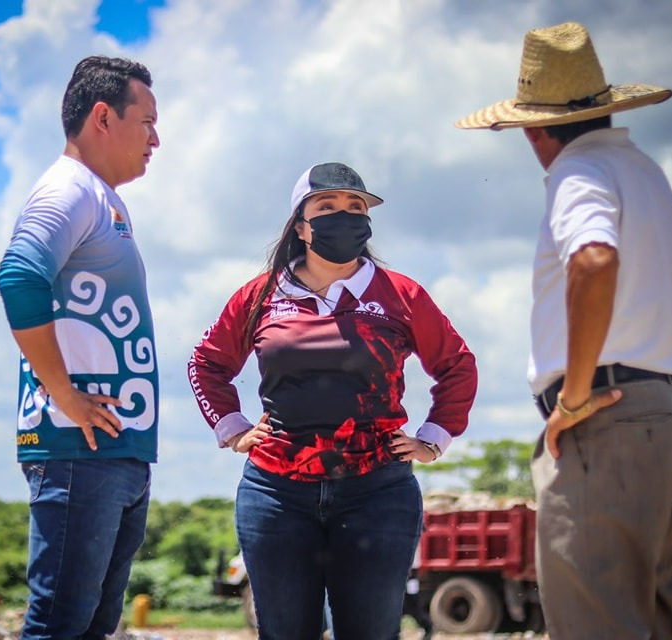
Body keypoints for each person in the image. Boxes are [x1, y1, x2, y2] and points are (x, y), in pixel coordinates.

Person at [456, 22, 672, 640]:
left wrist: (572, 398)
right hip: (665, 409)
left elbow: (594, 259)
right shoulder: (642, 170)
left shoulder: (579, 172)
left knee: (595, 623)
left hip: (605, 417)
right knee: (649, 617)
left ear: (534, 129)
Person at [187, 162, 477, 640]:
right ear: (301, 226)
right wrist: (233, 427)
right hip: (277, 494)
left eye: (355, 207)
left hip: (377, 493)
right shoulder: (260, 296)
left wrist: (434, 437)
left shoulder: (400, 294)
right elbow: (206, 364)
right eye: (327, 207)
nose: (344, 217)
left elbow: (458, 365)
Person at [0, 55, 160, 639]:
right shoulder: (69, 191)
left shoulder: (102, 198)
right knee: (59, 626)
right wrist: (62, 393)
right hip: (76, 450)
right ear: (103, 118)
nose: (156, 139)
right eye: (147, 122)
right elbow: (18, 277)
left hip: (112, 453)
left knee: (92, 629)